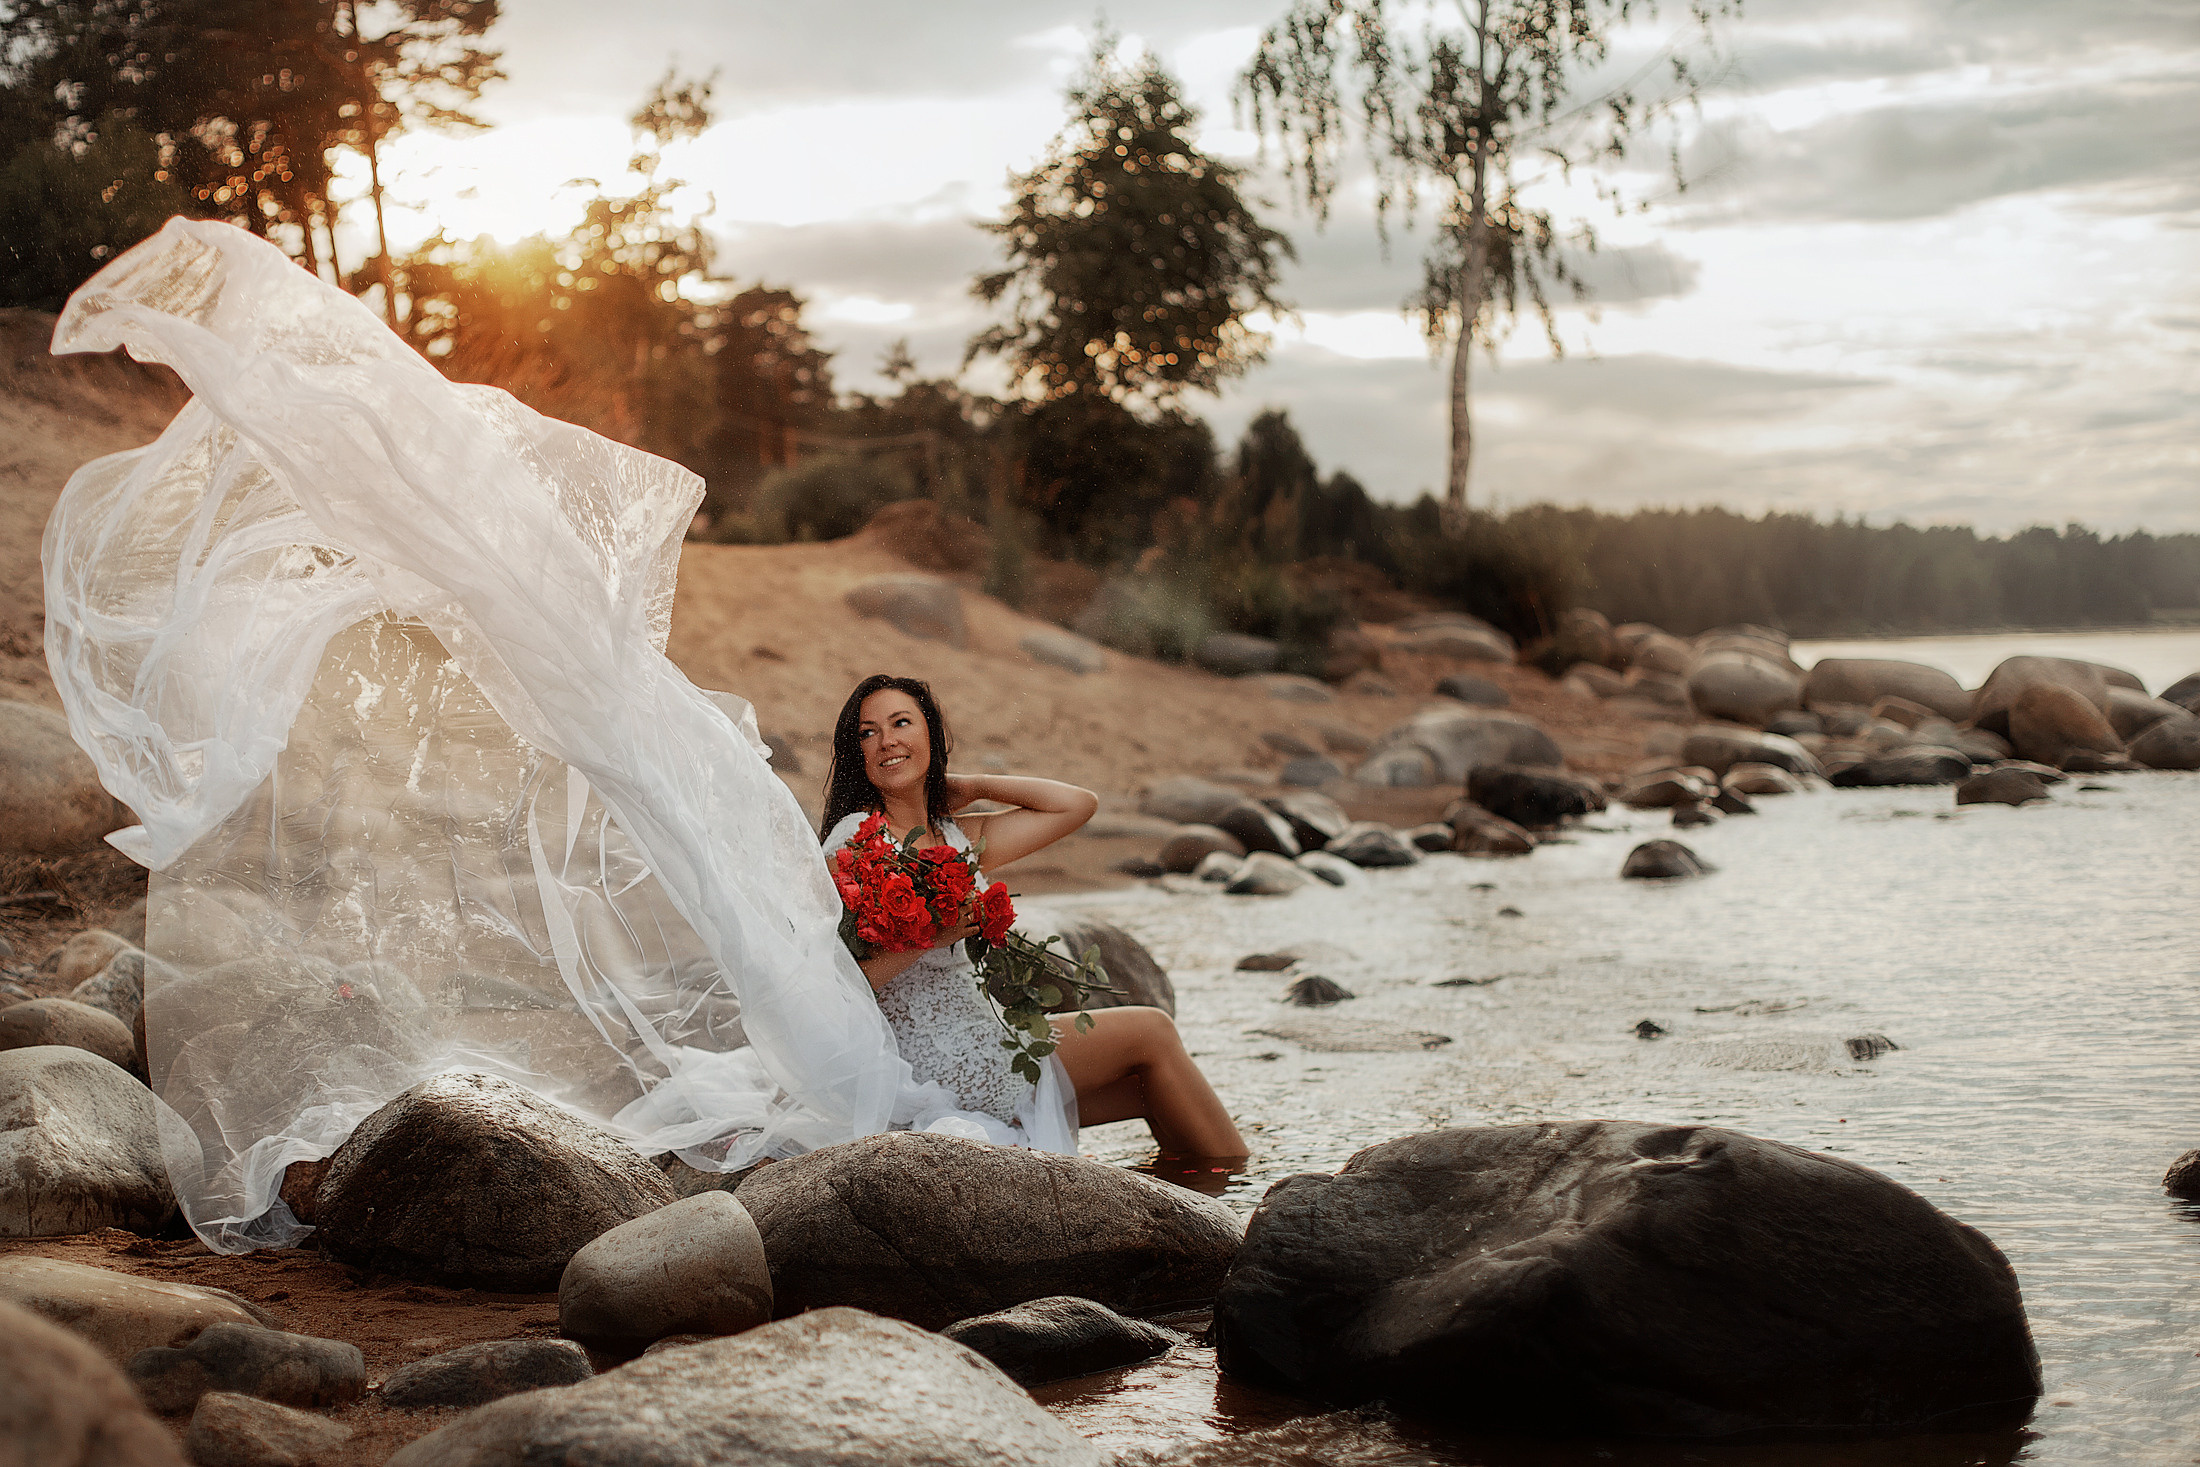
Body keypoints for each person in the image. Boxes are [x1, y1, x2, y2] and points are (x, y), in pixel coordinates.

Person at [820, 673, 1247, 1162]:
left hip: (994, 1038)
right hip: (942, 1064)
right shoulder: (858, 843)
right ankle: (1245, 1203)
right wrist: (931, 937)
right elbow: (840, 982)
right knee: (1152, 1031)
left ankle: (1203, 1206)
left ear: (931, 737)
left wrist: (968, 785)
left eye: (901, 723)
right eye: (867, 732)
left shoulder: (956, 833)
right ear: (857, 753)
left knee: (1157, 1092)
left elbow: (1076, 805)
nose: (887, 740)